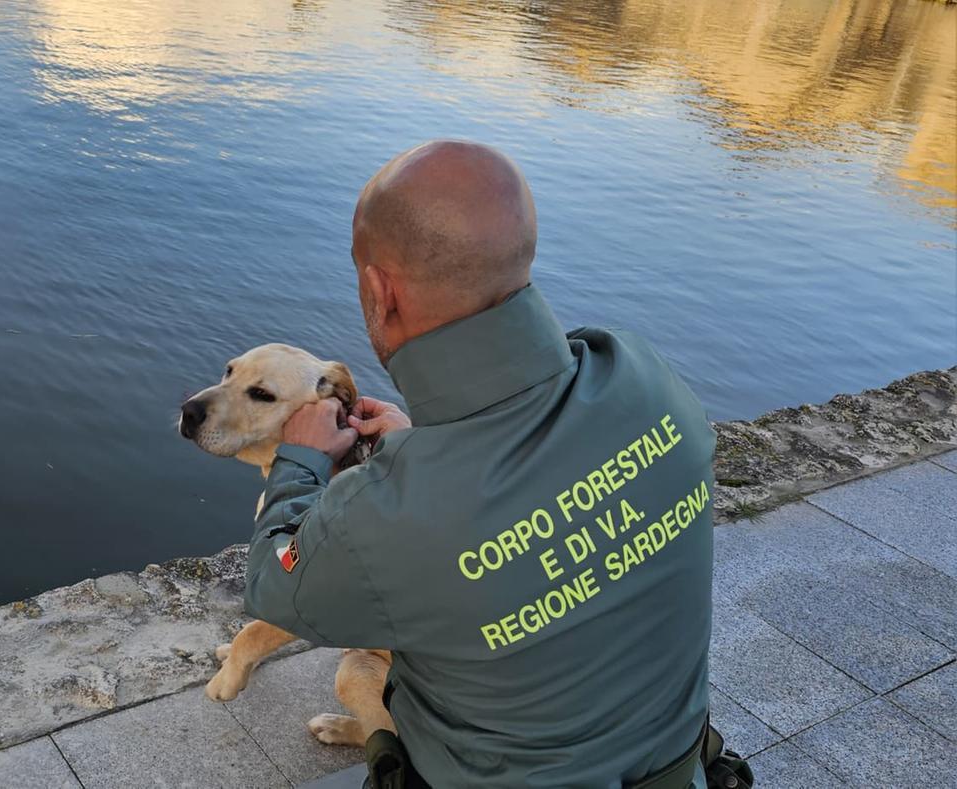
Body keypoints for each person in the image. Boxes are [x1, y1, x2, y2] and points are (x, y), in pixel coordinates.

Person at [244, 141, 721, 788]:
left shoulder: (388, 520)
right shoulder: (644, 378)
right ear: (521, 254)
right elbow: (537, 458)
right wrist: (421, 445)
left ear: (379, 291)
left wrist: (300, 457)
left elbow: (275, 586)